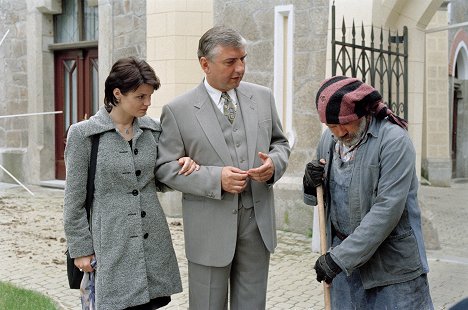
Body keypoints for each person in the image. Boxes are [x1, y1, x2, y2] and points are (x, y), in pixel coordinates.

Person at [155, 26, 291, 310]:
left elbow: (280, 143)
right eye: (231, 61)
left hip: (257, 225)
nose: (240, 68)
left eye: (243, 59)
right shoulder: (178, 110)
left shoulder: (263, 97)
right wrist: (215, 178)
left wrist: (273, 165)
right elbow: (164, 169)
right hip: (209, 230)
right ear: (205, 64)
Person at [63, 57, 198, 310]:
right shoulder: (84, 135)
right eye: (141, 96)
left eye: (150, 96)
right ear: (117, 94)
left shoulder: (153, 131)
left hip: (151, 241)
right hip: (110, 243)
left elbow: (162, 180)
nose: (148, 103)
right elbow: (73, 200)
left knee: (149, 303)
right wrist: (80, 249)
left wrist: (183, 164)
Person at [303, 76, 433, 309]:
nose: (339, 132)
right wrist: (310, 184)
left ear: (362, 114)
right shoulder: (329, 140)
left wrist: (338, 259)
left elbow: (386, 211)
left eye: (345, 123)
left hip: (392, 269)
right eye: (332, 126)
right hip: (347, 269)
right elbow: (322, 200)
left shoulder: (394, 141)